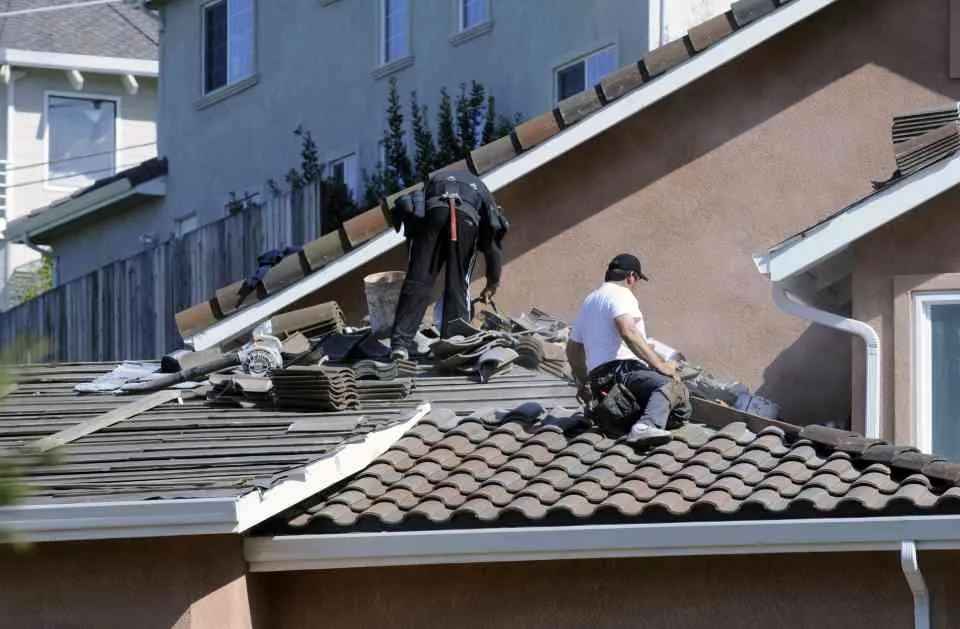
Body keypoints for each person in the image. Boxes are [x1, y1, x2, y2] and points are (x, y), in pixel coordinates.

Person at [389, 169, 508, 359]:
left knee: (418, 280)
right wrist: (492, 284)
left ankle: (400, 345)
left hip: (432, 214)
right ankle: (454, 343)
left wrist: (418, 264)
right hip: (465, 219)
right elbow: (493, 249)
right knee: (458, 283)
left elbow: (413, 237)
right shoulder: (484, 196)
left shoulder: (432, 183)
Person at [566, 254, 678, 446]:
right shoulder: (622, 294)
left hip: (600, 382)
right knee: (671, 388)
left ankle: (636, 420)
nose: (635, 286)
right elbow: (628, 331)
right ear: (631, 277)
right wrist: (660, 366)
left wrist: (583, 382)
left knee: (660, 402)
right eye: (636, 281)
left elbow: (572, 349)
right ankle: (645, 427)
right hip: (624, 372)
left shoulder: (590, 300)